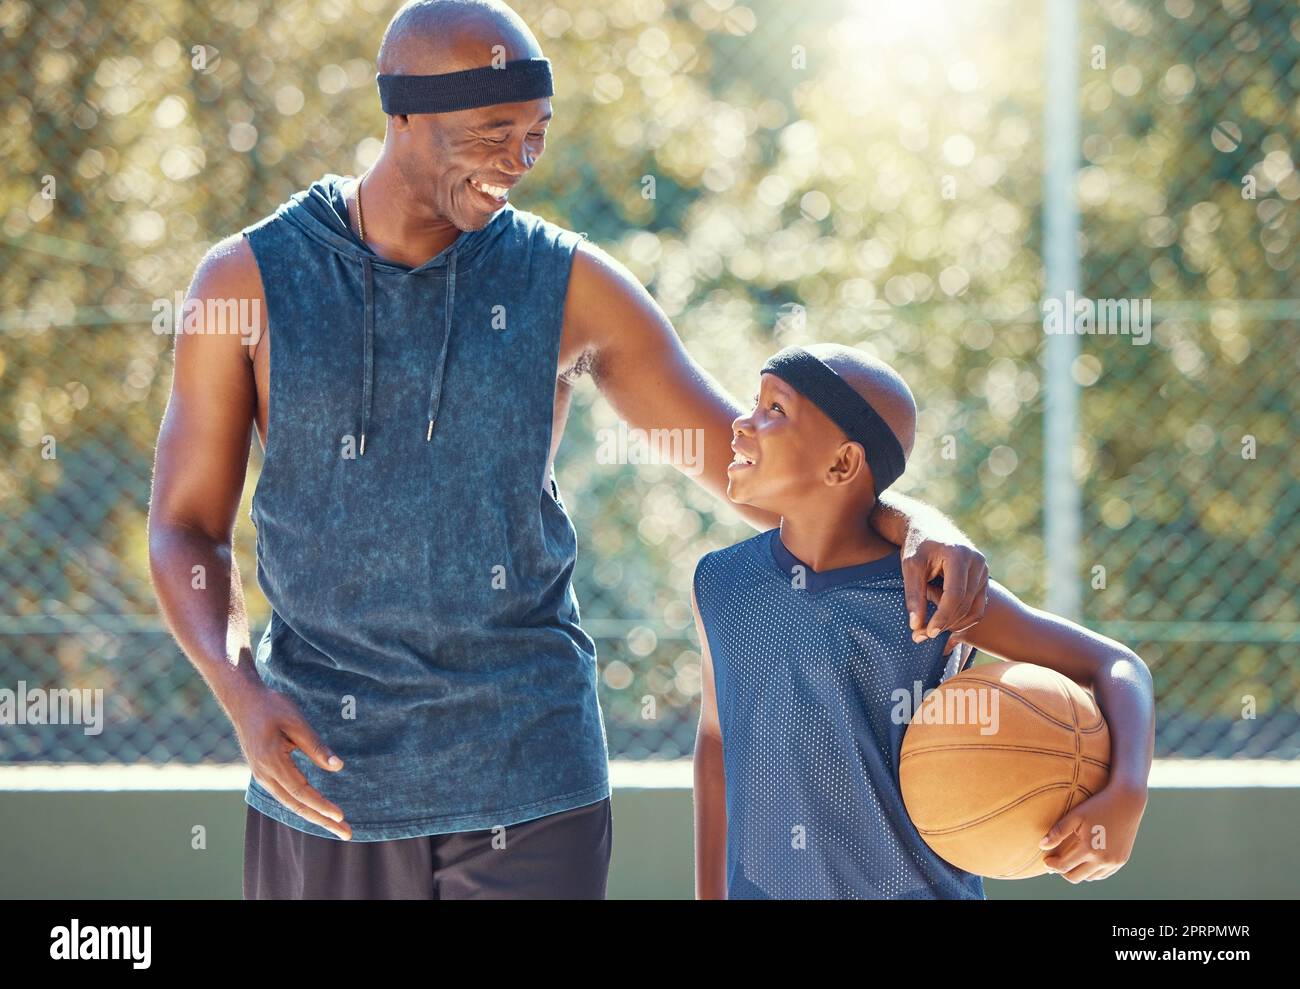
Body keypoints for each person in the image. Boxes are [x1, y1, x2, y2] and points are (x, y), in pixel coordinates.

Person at [147, 0, 990, 900]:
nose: (519, 158)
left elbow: (753, 477)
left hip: (532, 775)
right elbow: (186, 527)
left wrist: (916, 521)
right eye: (493, 130)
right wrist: (240, 691)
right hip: (328, 784)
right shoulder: (248, 282)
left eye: (537, 132)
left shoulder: (570, 286)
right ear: (401, 113)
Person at [692, 343, 1154, 899]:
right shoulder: (720, 583)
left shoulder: (933, 593)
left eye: (776, 409)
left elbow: (1115, 664)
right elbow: (717, 747)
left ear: (842, 463)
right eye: (754, 402)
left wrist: (1127, 793)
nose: (743, 422)